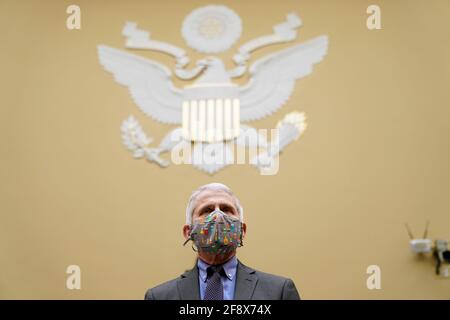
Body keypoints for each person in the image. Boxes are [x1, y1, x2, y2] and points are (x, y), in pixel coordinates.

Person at [145, 183, 300, 300]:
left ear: (242, 230)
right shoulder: (159, 297)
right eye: (207, 210)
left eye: (226, 209)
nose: (218, 216)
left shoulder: (279, 291)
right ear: (188, 232)